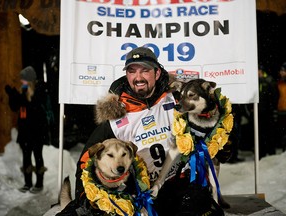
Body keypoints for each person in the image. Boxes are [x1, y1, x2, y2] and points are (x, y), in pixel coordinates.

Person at [58, 47, 231, 215]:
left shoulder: (177, 99)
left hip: (182, 184)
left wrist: (222, 147)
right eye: (132, 71)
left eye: (144, 70)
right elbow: (86, 162)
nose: (138, 77)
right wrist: (87, 196)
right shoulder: (116, 115)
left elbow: (209, 124)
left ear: (156, 73)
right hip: (141, 193)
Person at [5, 66, 49, 193]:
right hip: (25, 131)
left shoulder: (40, 90)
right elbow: (15, 107)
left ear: (29, 80)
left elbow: (35, 106)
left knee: (37, 156)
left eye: (23, 80)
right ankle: (27, 183)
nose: (21, 82)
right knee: (26, 157)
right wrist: (11, 94)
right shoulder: (23, 91)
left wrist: (27, 95)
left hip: (37, 131)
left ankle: (39, 184)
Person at [257, 65, 278, 158]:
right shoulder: (256, 81)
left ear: (261, 71)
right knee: (260, 132)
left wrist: (272, 108)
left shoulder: (269, 80)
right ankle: (262, 152)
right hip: (259, 111)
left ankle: (271, 151)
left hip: (267, 111)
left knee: (269, 131)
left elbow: (274, 95)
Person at [277, 62, 286, 151]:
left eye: (283, 71)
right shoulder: (279, 82)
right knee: (282, 131)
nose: (282, 73)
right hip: (281, 110)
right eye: (281, 71)